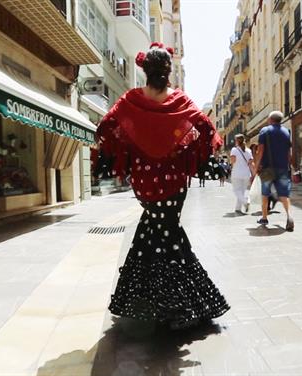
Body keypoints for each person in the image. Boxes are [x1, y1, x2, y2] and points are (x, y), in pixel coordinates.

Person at [95, 43, 229, 330]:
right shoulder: (179, 100)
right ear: (168, 71)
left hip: (144, 181)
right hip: (173, 180)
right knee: (168, 234)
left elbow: (107, 125)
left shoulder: (131, 99)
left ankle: (141, 299)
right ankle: (176, 306)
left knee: (154, 230)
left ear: (145, 69)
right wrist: (187, 149)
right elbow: (205, 128)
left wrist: (128, 147)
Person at [255, 111, 294, 230]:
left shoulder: (265, 131)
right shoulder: (286, 132)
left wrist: (256, 166)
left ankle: (264, 217)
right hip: (282, 168)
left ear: (270, 119)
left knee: (265, 193)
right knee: (283, 194)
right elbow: (288, 152)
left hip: (267, 168)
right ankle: (289, 216)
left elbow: (260, 150)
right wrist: (290, 165)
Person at [230, 134, 255, 214]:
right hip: (246, 174)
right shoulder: (249, 151)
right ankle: (238, 208)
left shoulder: (234, 150)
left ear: (237, 141)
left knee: (236, 190)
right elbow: (251, 162)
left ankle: (245, 202)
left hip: (237, 173)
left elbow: (233, 161)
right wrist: (253, 173)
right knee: (242, 191)